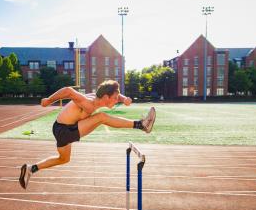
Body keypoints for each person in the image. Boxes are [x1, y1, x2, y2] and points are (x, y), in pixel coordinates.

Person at [19, 80, 156, 189]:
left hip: (60, 128)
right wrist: (48, 100)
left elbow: (114, 94)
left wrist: (124, 98)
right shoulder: (89, 104)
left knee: (63, 159)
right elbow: (68, 91)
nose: (116, 101)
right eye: (115, 98)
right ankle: (141, 125)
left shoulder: (98, 97)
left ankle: (31, 168)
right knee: (101, 117)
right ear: (106, 97)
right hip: (65, 130)